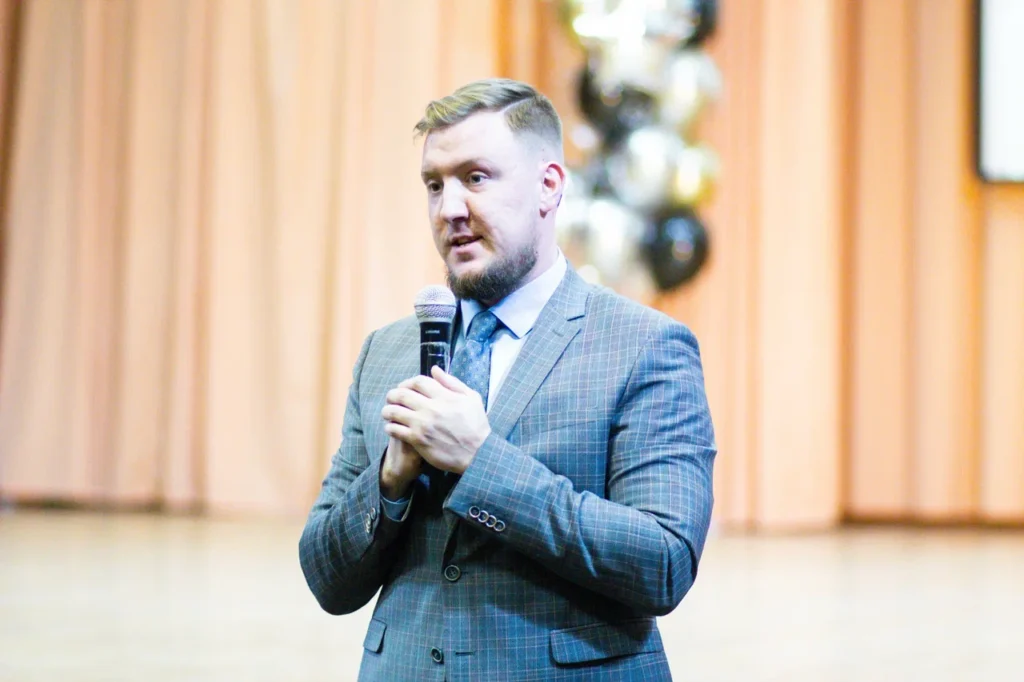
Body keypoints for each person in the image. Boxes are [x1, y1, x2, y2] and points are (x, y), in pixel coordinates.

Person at [299, 78, 716, 682]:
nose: (449, 209)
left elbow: (663, 564)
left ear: (549, 186)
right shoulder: (385, 353)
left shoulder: (644, 346)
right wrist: (388, 481)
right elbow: (326, 579)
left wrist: (482, 461)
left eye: (476, 178)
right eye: (434, 185)